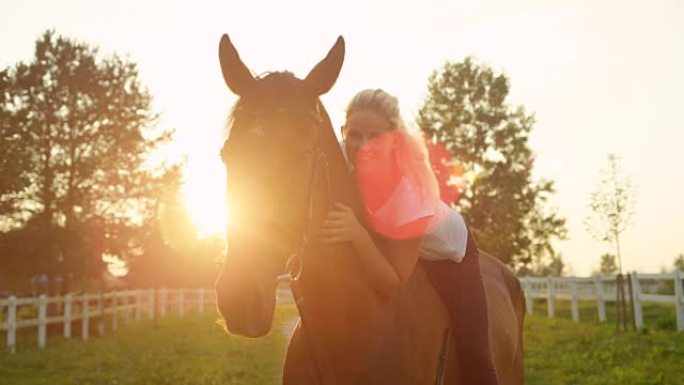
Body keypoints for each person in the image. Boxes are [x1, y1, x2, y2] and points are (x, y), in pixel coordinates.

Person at [319, 89, 500, 385]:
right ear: (343, 132)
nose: (363, 146)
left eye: (375, 137)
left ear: (395, 140)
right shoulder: (343, 153)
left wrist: (355, 233)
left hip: (448, 257)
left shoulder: (409, 194)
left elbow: (391, 281)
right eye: (354, 135)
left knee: (475, 353)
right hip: (388, 238)